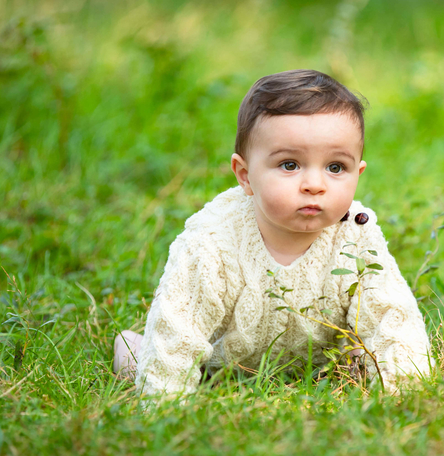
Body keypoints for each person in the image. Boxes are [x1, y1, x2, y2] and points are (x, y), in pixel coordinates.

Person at [113, 69, 433, 401]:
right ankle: (132, 349)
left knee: (366, 357)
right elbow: (179, 326)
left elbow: (392, 316)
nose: (315, 184)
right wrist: (164, 401)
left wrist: (406, 390)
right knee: (140, 354)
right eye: (290, 165)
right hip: (223, 366)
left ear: (358, 173)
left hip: (325, 364)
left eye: (335, 167)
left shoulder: (357, 232)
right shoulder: (213, 238)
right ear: (245, 175)